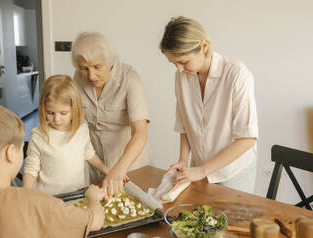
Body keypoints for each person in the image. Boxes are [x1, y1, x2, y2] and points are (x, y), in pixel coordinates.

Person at [0, 101, 105, 238]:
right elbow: (95, 221)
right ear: (10, 153)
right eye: (21, 148)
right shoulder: (38, 204)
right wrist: (93, 199)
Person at [160, 17, 258, 193]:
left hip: (233, 172)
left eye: (183, 61)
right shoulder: (181, 77)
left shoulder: (236, 74)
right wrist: (183, 159)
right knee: (197, 217)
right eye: (173, 63)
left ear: (203, 46)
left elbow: (247, 138)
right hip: (197, 168)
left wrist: (202, 170)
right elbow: (185, 123)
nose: (179, 69)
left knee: (231, 220)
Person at [72, 32, 150, 199]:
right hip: (98, 167)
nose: (91, 76)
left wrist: (119, 170)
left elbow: (140, 133)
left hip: (130, 168)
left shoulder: (130, 78)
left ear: (110, 61)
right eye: (84, 68)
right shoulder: (77, 78)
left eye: (97, 67)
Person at [23, 75, 109, 195]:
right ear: (43, 109)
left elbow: (89, 154)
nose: (57, 119)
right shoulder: (38, 135)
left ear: (75, 109)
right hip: (48, 198)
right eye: (50, 113)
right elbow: (31, 169)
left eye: (63, 113)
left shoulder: (82, 130)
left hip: (75, 195)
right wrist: (25, 194)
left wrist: (108, 172)